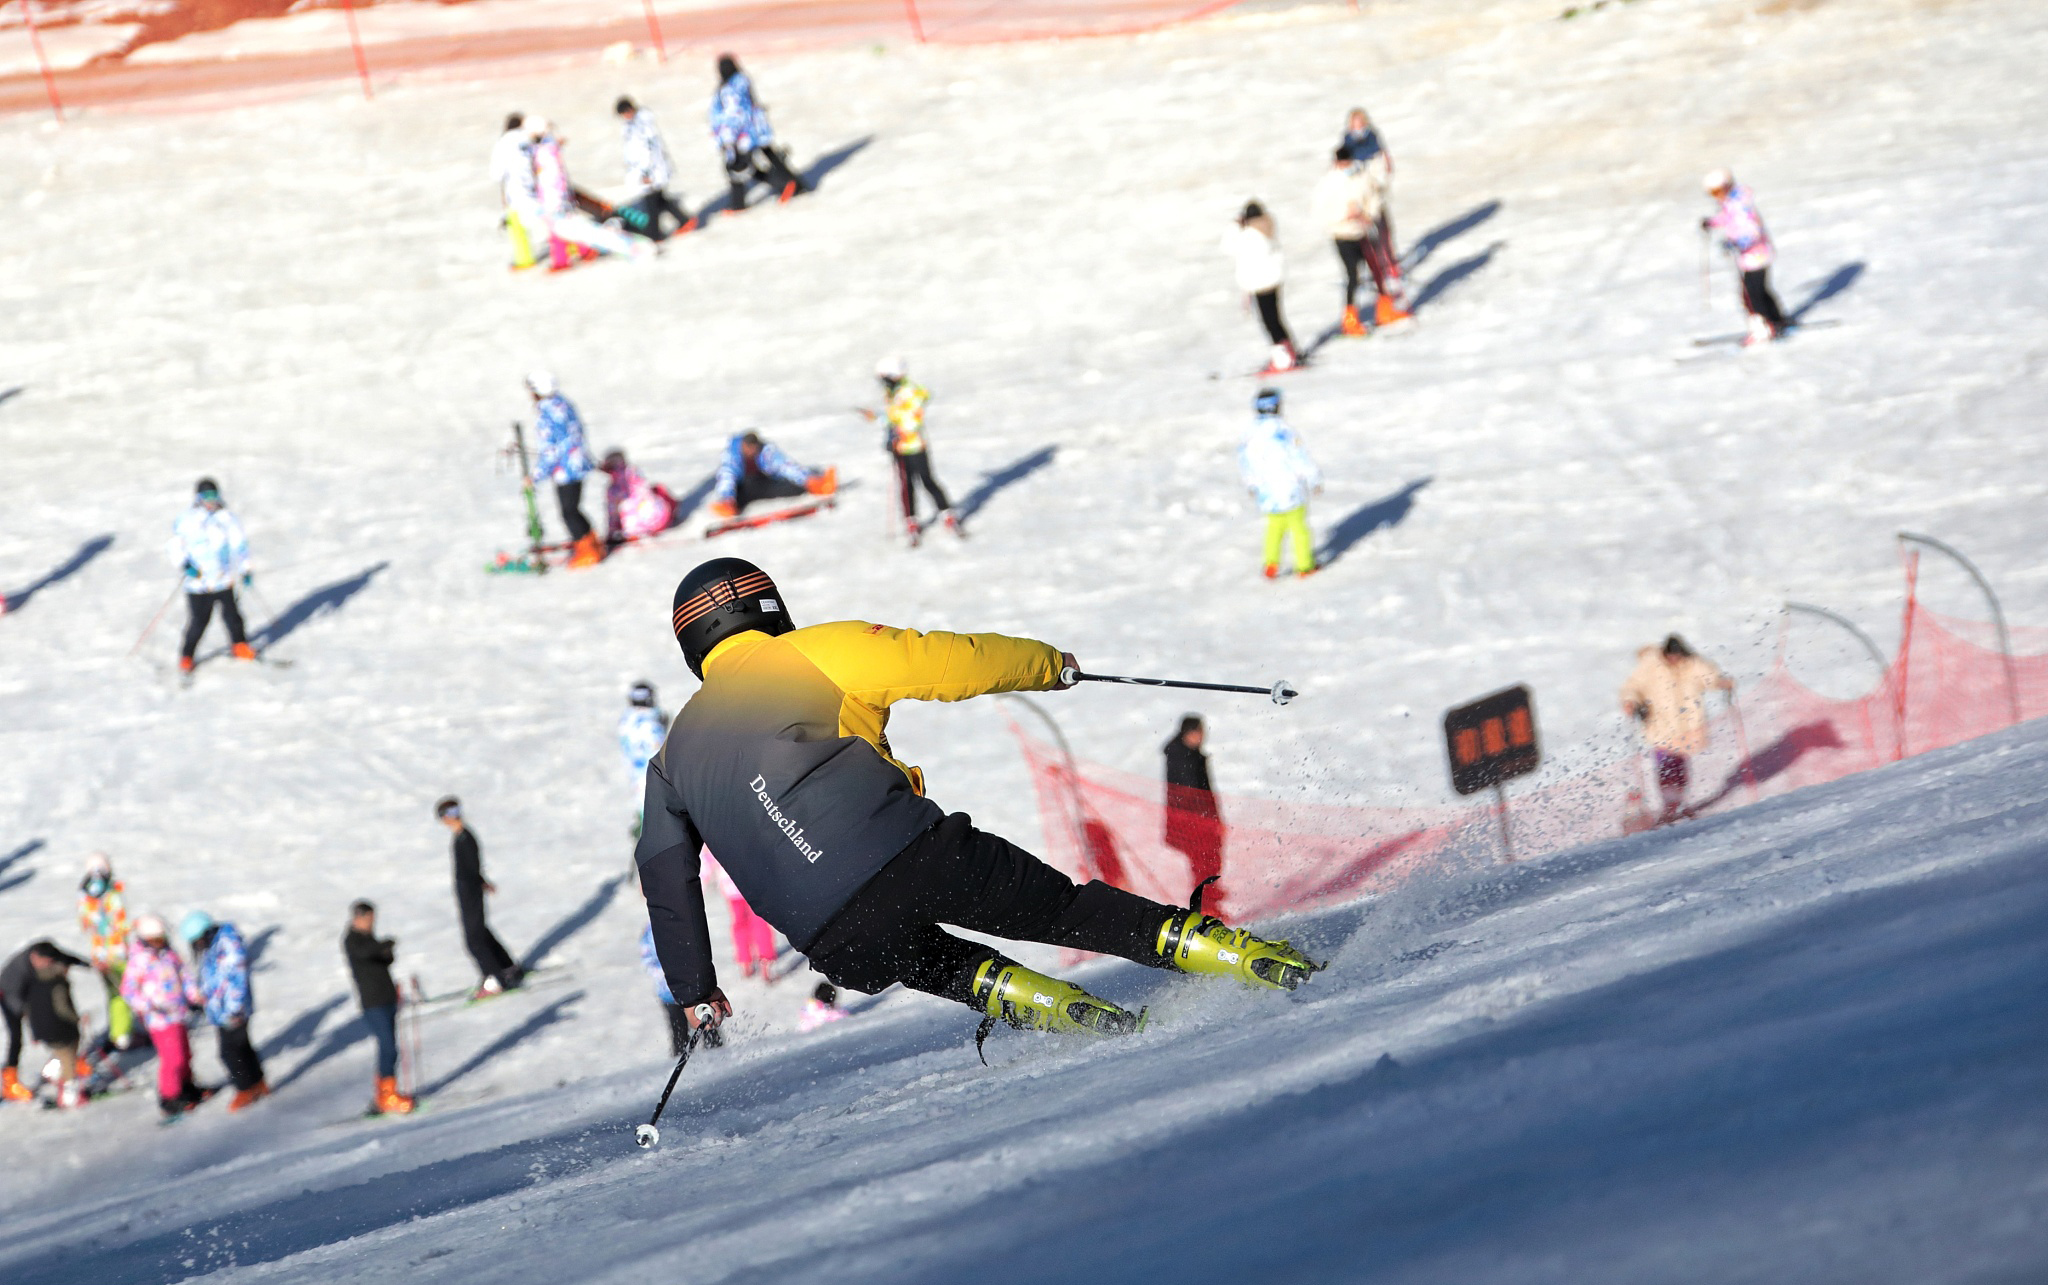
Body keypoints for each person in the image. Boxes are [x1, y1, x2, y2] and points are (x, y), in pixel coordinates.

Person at [635, 558, 1324, 1052]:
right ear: (771, 610)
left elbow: (665, 879)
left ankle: (1033, 998)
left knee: (916, 952)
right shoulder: (814, 653)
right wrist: (1048, 664)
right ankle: (1235, 954)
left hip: (830, 938)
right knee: (1063, 909)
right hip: (905, 852)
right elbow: (946, 661)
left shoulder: (670, 756)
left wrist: (696, 986)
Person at [1618, 634, 1737, 823]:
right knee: (1665, 765)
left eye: (1677, 656)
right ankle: (1669, 805)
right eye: (1671, 656)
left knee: (1680, 766)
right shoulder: (1650, 666)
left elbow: (1708, 677)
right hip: (1659, 724)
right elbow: (1632, 686)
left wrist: (1721, 682)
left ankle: (1677, 803)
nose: (1674, 660)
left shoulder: (1692, 664)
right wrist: (1630, 701)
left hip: (1686, 726)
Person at [121, 914, 211, 1119]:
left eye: (162, 939)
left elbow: (184, 975)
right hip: (159, 1019)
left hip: (178, 1013)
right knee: (173, 1058)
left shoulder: (168, 954)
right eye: (156, 940)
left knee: (186, 1054)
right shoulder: (139, 961)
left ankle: (187, 1087)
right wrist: (148, 1007)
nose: (160, 943)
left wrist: (195, 996)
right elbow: (128, 991)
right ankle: (170, 1097)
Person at [527, 118, 648, 267]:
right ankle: (580, 253)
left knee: (579, 231)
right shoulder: (547, 150)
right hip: (558, 200)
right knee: (576, 230)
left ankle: (628, 247)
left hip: (555, 202)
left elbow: (552, 180)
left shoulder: (545, 154)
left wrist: (554, 203)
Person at [180, 911, 268, 1112]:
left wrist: (234, 1008)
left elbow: (237, 978)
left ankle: (245, 1089)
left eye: (197, 941)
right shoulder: (214, 946)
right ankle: (258, 1082)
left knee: (229, 1052)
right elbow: (211, 976)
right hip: (221, 1009)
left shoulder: (229, 947)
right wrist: (202, 996)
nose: (197, 947)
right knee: (242, 1047)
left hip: (232, 1010)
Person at [435, 797, 523, 998]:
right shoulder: (462, 837)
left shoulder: (465, 838)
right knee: (480, 932)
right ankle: (507, 966)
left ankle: (496, 979)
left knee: (473, 940)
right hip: (469, 891)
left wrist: (479, 882)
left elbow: (472, 868)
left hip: (470, 893)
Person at [168, 478, 256, 676]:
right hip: (199, 582)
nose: (211, 501)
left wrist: (246, 569)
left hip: (223, 579)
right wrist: (184, 564)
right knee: (199, 621)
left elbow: (240, 546)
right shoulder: (187, 520)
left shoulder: (226, 519)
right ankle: (187, 656)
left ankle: (240, 645)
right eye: (206, 497)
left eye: (214, 496)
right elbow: (175, 546)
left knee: (233, 616)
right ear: (198, 499)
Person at [867, 357, 959, 543]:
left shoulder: (910, 393)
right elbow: (893, 418)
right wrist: (878, 418)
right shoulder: (892, 393)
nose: (882, 383)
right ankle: (911, 520)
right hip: (899, 447)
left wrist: (896, 435)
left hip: (914, 445)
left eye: (884, 379)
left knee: (927, 480)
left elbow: (912, 420)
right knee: (906, 484)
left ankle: (946, 513)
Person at [1237, 387, 1322, 580]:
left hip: (1267, 493)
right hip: (1290, 489)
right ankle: (1305, 565)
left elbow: (1244, 461)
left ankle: (1271, 564)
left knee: (1274, 529)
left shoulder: (1249, 435)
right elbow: (1300, 457)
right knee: (1298, 528)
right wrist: (1313, 478)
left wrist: (1251, 483)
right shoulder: (1284, 431)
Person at [343, 901, 415, 1115]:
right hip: (373, 1002)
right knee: (387, 1047)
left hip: (387, 998)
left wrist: (386, 950)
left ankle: (386, 1094)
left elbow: (384, 958)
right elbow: (367, 953)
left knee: (391, 1047)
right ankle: (386, 1096)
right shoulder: (353, 940)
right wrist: (383, 946)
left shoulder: (368, 938)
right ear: (358, 917)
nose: (371, 923)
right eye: (368, 919)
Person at [526, 372, 605, 569]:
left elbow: (549, 451)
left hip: (565, 470)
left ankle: (588, 550)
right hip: (578, 463)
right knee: (575, 508)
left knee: (568, 511)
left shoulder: (545, 414)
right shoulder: (564, 404)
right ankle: (593, 543)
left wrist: (535, 476)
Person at [709, 54, 806, 211]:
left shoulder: (730, 89)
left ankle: (782, 185)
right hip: (756, 129)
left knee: (739, 167)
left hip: (741, 135)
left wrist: (729, 136)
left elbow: (735, 113)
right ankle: (794, 185)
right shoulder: (740, 81)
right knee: (768, 158)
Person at [1702, 168, 1786, 345]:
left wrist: (1738, 243)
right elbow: (1727, 218)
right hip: (1755, 255)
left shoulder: (1739, 205)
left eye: (1717, 191)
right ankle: (1777, 320)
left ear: (1727, 186)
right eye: (1712, 193)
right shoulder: (1733, 202)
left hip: (1755, 255)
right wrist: (1712, 222)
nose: (1716, 196)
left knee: (1752, 293)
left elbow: (1752, 229)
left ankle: (1764, 327)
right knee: (1760, 289)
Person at [2, 940, 89, 1106]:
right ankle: (9, 1083)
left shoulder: (46, 954)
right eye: (46, 962)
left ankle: (62, 1064)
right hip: (8, 998)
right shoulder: (19, 971)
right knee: (16, 1038)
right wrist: (32, 1017)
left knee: (61, 1028)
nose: (49, 965)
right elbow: (15, 998)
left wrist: (88, 964)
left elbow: (65, 958)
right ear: (35, 957)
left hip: (35, 996)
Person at [1222, 201, 1300, 374]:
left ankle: (1283, 360)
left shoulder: (1249, 235)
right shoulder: (1267, 228)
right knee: (1277, 319)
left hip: (1260, 283)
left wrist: (1234, 226)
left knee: (1269, 322)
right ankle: (1292, 352)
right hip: (1273, 281)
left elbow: (1228, 247)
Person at [1163, 715, 1227, 916]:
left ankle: (1211, 904)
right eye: (1196, 732)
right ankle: (1208, 909)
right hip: (1194, 823)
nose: (1200, 737)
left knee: (1208, 862)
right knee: (1203, 864)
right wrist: (1207, 821)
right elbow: (1190, 796)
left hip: (1200, 821)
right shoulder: (1183, 759)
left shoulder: (1189, 754)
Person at [76, 853, 136, 1055]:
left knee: (112, 994)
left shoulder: (85, 896)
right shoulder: (112, 893)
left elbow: (85, 925)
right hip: (118, 952)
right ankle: (122, 1034)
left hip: (100, 955)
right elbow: (121, 923)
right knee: (123, 993)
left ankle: (117, 1029)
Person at [708, 432, 837, 519]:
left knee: (787, 484)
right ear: (743, 446)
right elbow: (727, 476)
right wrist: (727, 498)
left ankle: (816, 485)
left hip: (762, 483)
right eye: (749, 448)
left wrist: (808, 480)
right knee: (749, 484)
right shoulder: (732, 454)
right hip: (741, 489)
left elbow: (785, 465)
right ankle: (728, 505)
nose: (752, 452)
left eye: (755, 448)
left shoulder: (764, 450)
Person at [615, 96, 693, 240]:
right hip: (649, 170)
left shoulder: (641, 125)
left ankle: (654, 234)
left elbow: (648, 150)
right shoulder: (633, 125)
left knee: (651, 202)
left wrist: (645, 172)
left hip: (651, 170)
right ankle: (684, 220)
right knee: (659, 199)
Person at [1340, 108, 1401, 289]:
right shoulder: (1347, 141)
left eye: (1360, 122)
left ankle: (1390, 262)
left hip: (1375, 187)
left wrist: (1381, 180)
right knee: (1365, 232)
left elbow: (1383, 160)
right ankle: (1375, 266)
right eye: (1354, 122)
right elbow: (1343, 165)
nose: (1357, 126)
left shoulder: (1372, 137)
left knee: (1383, 227)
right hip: (1359, 191)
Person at [703, 850, 776, 981]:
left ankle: (745, 961)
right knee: (759, 922)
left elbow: (707, 859)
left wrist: (700, 882)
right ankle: (764, 960)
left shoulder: (714, 834)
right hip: (753, 884)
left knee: (740, 924)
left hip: (731, 885)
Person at [492, 111, 544, 269]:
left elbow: (496, 174)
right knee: (553, 221)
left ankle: (524, 259)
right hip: (539, 188)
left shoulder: (503, 143)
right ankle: (574, 249)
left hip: (515, 192)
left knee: (518, 229)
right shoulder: (531, 138)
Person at [619, 681, 669, 837]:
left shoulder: (625, 722)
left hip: (637, 783)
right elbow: (660, 753)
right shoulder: (651, 724)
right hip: (655, 786)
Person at [599, 449, 678, 545]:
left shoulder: (613, 489)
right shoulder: (633, 472)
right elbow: (646, 491)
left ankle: (636, 531)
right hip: (658, 517)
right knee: (655, 491)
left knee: (629, 505)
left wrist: (612, 533)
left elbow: (613, 514)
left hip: (637, 526)